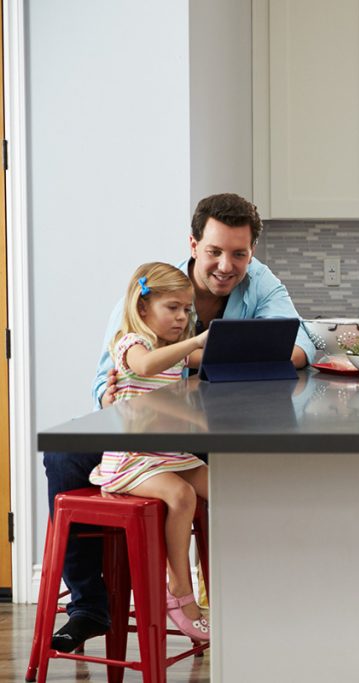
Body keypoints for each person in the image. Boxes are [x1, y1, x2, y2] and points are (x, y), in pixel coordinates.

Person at [43, 193, 315, 652]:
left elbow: (302, 347)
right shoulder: (150, 291)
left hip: (212, 431)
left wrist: (197, 355)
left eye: (239, 254)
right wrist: (112, 391)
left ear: (252, 253)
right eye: (214, 251)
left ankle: (255, 598)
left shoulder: (261, 283)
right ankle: (90, 605)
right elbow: (109, 376)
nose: (226, 265)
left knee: (250, 479)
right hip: (142, 433)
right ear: (193, 244)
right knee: (63, 455)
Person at [88, 262, 212, 640]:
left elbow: (202, 361)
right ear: (143, 308)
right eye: (172, 308)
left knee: (228, 485)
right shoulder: (131, 344)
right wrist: (192, 342)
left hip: (167, 455)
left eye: (186, 310)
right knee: (182, 494)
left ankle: (234, 585)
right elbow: (143, 367)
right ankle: (179, 588)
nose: (181, 317)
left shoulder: (171, 350)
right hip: (133, 458)